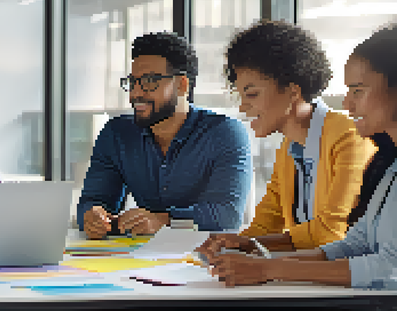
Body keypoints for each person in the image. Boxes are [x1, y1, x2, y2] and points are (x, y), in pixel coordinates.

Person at [207, 23, 397, 289]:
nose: (347, 104)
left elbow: (333, 233)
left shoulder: (348, 136)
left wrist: (268, 267)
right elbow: (357, 242)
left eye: (358, 91)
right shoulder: (291, 148)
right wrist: (239, 247)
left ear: (293, 91)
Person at [77, 31, 253, 239]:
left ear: (182, 85)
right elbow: (92, 202)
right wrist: (93, 216)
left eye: (149, 81)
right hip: (137, 257)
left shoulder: (225, 133)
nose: (136, 93)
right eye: (133, 82)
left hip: (204, 258)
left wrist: (165, 221)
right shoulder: (116, 134)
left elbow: (227, 215)